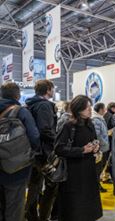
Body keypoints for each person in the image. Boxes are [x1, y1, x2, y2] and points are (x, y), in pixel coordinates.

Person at [55, 95, 102, 221]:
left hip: (89, 171)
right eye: (87, 108)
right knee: (74, 209)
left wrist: (96, 147)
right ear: (78, 109)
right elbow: (59, 148)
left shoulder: (90, 124)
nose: (90, 110)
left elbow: (94, 140)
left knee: (89, 207)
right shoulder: (68, 126)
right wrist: (81, 150)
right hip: (73, 174)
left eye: (90, 107)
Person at [0, 83, 40, 221]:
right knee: (15, 206)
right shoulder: (21, 111)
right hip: (16, 168)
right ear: (17, 95)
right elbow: (34, 137)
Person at [25, 79, 58, 221]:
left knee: (34, 185)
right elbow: (45, 130)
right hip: (43, 153)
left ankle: (31, 214)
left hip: (32, 151)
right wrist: (57, 142)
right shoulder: (44, 105)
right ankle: (38, 215)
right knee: (51, 185)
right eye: (53, 88)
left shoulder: (30, 104)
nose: (54, 91)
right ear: (48, 89)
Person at [92, 102, 110, 193]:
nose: (105, 110)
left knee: (100, 168)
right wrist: (104, 143)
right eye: (104, 109)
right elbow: (97, 135)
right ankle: (96, 186)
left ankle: (97, 185)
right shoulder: (96, 120)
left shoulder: (99, 119)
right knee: (98, 168)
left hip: (102, 148)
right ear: (101, 110)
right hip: (100, 149)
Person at [103, 102, 115, 183]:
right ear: (113, 108)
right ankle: (105, 177)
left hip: (106, 140)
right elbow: (111, 129)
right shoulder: (112, 116)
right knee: (109, 160)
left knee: (106, 159)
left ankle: (105, 176)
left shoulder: (105, 115)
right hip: (110, 140)